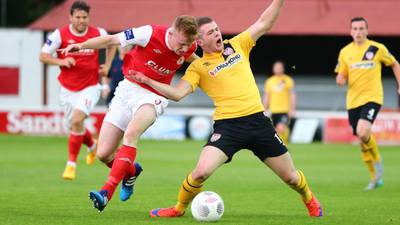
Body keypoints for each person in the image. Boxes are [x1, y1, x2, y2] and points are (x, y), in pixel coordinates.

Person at [131, 0, 322, 218]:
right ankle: (178, 209)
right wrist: (147, 79)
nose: (217, 34)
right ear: (200, 41)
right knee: (201, 172)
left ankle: (309, 198)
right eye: (211, 32)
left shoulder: (237, 44)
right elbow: (177, 94)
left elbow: (264, 23)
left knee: (290, 177)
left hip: (259, 123)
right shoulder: (198, 67)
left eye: (217, 30)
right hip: (228, 127)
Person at [61, 15, 199, 212]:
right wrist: (81, 45)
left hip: (154, 96)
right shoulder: (148, 33)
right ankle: (132, 171)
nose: (185, 49)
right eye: (183, 43)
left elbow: (196, 60)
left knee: (131, 134)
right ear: (173, 32)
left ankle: (106, 192)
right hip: (128, 90)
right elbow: (110, 40)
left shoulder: (189, 47)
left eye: (190, 44)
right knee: (103, 153)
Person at [39, 0, 115, 180]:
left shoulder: (98, 33)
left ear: (89, 18)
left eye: (85, 17)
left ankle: (71, 165)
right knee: (75, 125)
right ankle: (92, 147)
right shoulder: (60, 34)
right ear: (70, 17)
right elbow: (43, 56)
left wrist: (107, 66)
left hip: (90, 87)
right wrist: (61, 61)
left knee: (77, 119)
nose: (81, 21)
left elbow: (112, 43)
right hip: (67, 89)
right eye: (78, 17)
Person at [335, 17, 400, 190]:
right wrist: (340, 79)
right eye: (355, 29)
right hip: (353, 101)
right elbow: (341, 74)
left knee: (362, 131)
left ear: (367, 30)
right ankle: (374, 177)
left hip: (373, 97)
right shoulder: (345, 52)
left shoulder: (377, 48)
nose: (358, 32)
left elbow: (395, 64)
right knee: (362, 139)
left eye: (361, 28)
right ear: (350, 32)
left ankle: (378, 161)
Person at [263, 60, 296, 145]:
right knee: (275, 131)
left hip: (284, 110)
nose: (277, 69)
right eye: (276, 67)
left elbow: (292, 95)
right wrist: (264, 108)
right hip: (273, 110)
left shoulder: (288, 80)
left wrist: (292, 109)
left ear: (282, 68)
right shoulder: (269, 81)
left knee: (281, 128)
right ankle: (282, 146)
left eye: (279, 67)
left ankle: (284, 145)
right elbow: (267, 96)